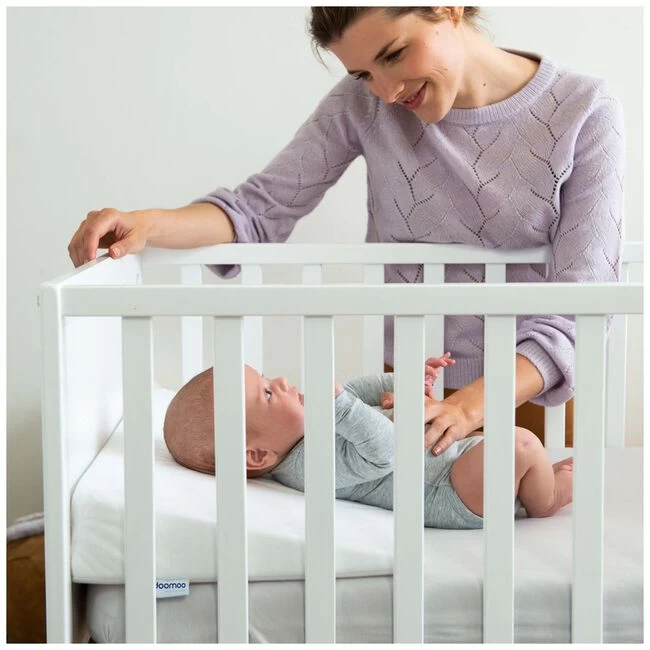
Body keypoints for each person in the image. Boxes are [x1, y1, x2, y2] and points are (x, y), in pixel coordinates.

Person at [67, 7, 624, 450]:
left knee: (530, 538)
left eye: (394, 54)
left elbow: (583, 301)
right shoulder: (364, 106)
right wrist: (146, 224)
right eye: (363, 74)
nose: (387, 91)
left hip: (531, 391)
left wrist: (467, 406)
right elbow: (256, 211)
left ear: (449, 9)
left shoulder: (584, 109)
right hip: (410, 384)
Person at [162, 354, 574, 530]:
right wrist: (340, 407)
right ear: (256, 455)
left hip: (452, 462)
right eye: (268, 393)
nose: (283, 382)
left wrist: (401, 381)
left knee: (510, 451)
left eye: (269, 378)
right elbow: (385, 453)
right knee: (520, 444)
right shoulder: (307, 467)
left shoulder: (302, 432)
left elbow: (357, 392)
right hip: (450, 492)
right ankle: (548, 498)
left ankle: (529, 483)